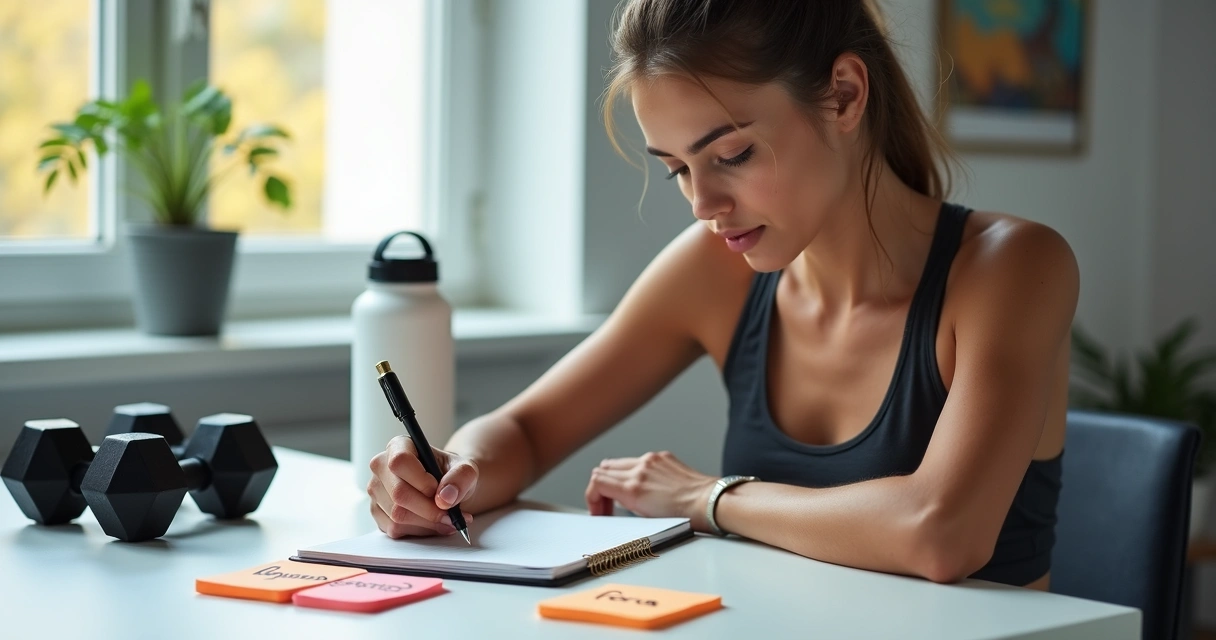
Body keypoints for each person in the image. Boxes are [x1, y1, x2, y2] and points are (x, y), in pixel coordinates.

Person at [367, 0, 1077, 590]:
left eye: (732, 154)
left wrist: (705, 497)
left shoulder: (1011, 268)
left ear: (845, 95)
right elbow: (524, 431)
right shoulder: (716, 269)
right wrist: (453, 475)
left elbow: (941, 534)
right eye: (677, 168)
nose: (703, 203)